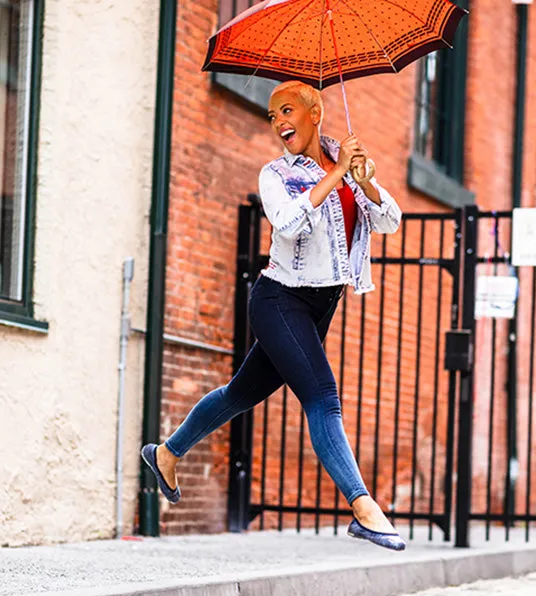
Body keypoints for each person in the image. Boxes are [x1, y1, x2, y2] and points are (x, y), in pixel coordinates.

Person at [142, 80, 404, 551]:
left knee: (240, 393)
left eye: (287, 110)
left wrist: (361, 177)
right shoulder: (276, 175)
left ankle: (165, 452)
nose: (279, 121)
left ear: (314, 112)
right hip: (279, 301)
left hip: (320, 305)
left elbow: (389, 221)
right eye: (271, 115)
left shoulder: (346, 166)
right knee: (323, 397)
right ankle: (364, 508)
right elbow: (285, 223)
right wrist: (336, 174)